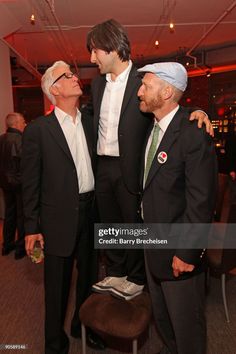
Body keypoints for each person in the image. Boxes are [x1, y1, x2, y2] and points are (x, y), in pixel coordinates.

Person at [86, 18, 213, 300]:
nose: (91, 57)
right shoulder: (96, 85)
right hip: (103, 164)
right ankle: (116, 271)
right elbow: (89, 117)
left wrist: (198, 111)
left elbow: (166, 102)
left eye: (95, 50)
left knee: (134, 224)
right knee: (110, 222)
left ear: (112, 47)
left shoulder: (142, 80)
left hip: (130, 164)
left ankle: (135, 276)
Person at [21, 61, 105, 354]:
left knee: (89, 279)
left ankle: (82, 327)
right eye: (66, 75)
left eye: (73, 73)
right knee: (56, 287)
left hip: (92, 212)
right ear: (54, 89)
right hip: (57, 219)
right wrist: (31, 228)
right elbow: (29, 184)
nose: (74, 77)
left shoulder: (90, 121)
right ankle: (54, 343)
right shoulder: (38, 130)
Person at [137, 62, 217, 354]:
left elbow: (201, 202)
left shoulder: (194, 133)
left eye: (146, 85)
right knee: (164, 321)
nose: (139, 92)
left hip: (178, 254)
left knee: (188, 333)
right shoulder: (153, 127)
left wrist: (186, 253)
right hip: (153, 245)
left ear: (167, 91)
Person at [0, 112, 26, 259]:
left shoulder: (1, 138)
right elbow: (26, 164)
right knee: (21, 215)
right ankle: (20, 248)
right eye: (22, 121)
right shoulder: (21, 140)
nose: (25, 123)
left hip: (5, 183)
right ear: (15, 124)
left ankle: (7, 245)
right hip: (19, 183)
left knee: (9, 214)